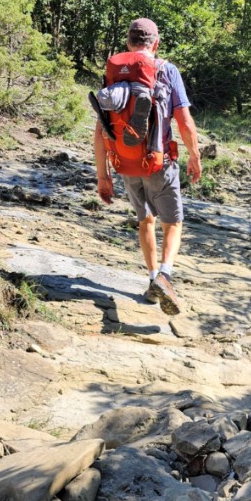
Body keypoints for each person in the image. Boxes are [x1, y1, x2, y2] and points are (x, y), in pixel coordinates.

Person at [94, 17, 202, 316]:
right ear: (156, 42)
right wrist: (195, 155)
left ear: (128, 42)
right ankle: (165, 275)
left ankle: (153, 279)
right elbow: (184, 121)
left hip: (125, 162)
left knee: (146, 221)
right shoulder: (166, 69)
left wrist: (103, 176)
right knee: (173, 222)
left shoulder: (114, 72)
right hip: (159, 161)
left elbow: (100, 129)